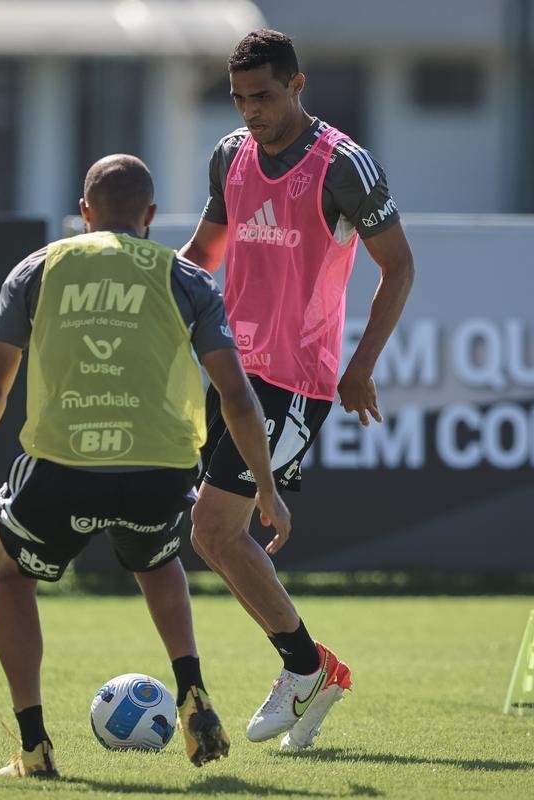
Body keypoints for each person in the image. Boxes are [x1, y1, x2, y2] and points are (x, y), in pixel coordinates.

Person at [0, 154, 291, 778]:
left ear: (84, 212)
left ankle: (34, 748)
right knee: (158, 557)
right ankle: (191, 686)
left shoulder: (38, 268)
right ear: (149, 216)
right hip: (159, 471)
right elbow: (237, 396)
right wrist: (267, 488)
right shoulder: (187, 277)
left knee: (11, 573)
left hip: (62, 466)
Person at [179, 30, 416, 750]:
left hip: (295, 379)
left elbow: (398, 267)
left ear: (298, 85)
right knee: (213, 537)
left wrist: (361, 365)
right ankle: (316, 676)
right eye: (239, 98)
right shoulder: (229, 155)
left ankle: (305, 668)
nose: (251, 111)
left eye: (264, 96)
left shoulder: (343, 165)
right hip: (230, 374)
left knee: (215, 529)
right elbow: (201, 258)